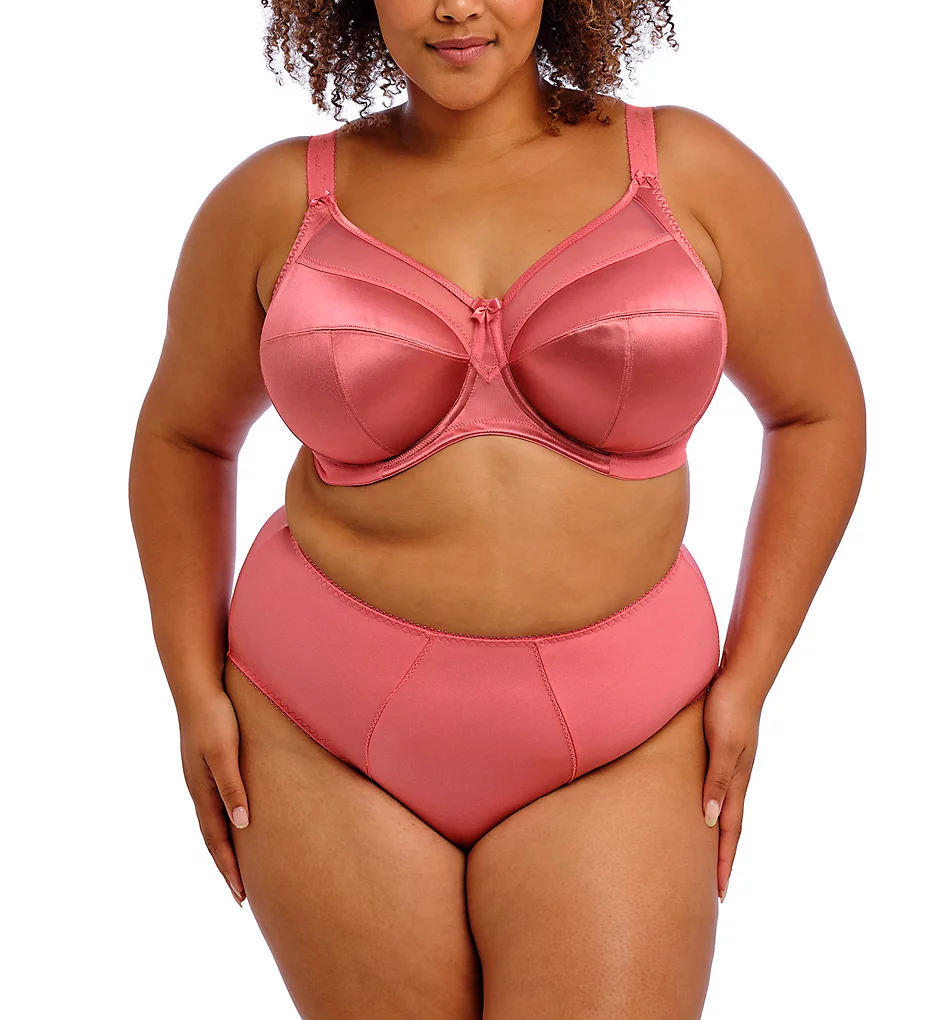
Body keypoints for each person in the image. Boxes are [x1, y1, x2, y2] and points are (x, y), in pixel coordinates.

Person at [128, 2, 866, 1017]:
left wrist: (748, 682)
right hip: (318, 733)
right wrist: (189, 688)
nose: (456, 6)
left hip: (624, 736)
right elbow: (184, 438)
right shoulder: (272, 202)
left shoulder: (688, 173)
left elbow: (817, 414)